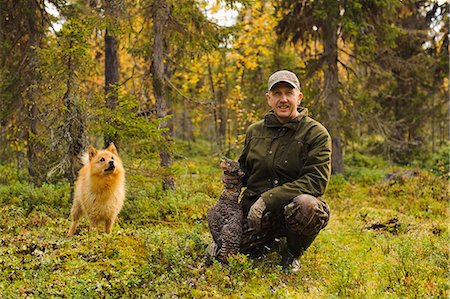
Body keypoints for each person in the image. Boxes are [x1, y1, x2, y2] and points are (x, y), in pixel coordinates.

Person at [236, 70, 331, 273]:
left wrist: (267, 200)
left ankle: (292, 251)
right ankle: (263, 243)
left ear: (299, 97)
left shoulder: (316, 134)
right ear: (269, 99)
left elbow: (316, 182)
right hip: (256, 215)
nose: (283, 99)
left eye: (289, 92)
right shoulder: (254, 132)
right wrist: (232, 177)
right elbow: (245, 172)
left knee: (308, 206)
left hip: (292, 210)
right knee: (227, 251)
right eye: (277, 93)